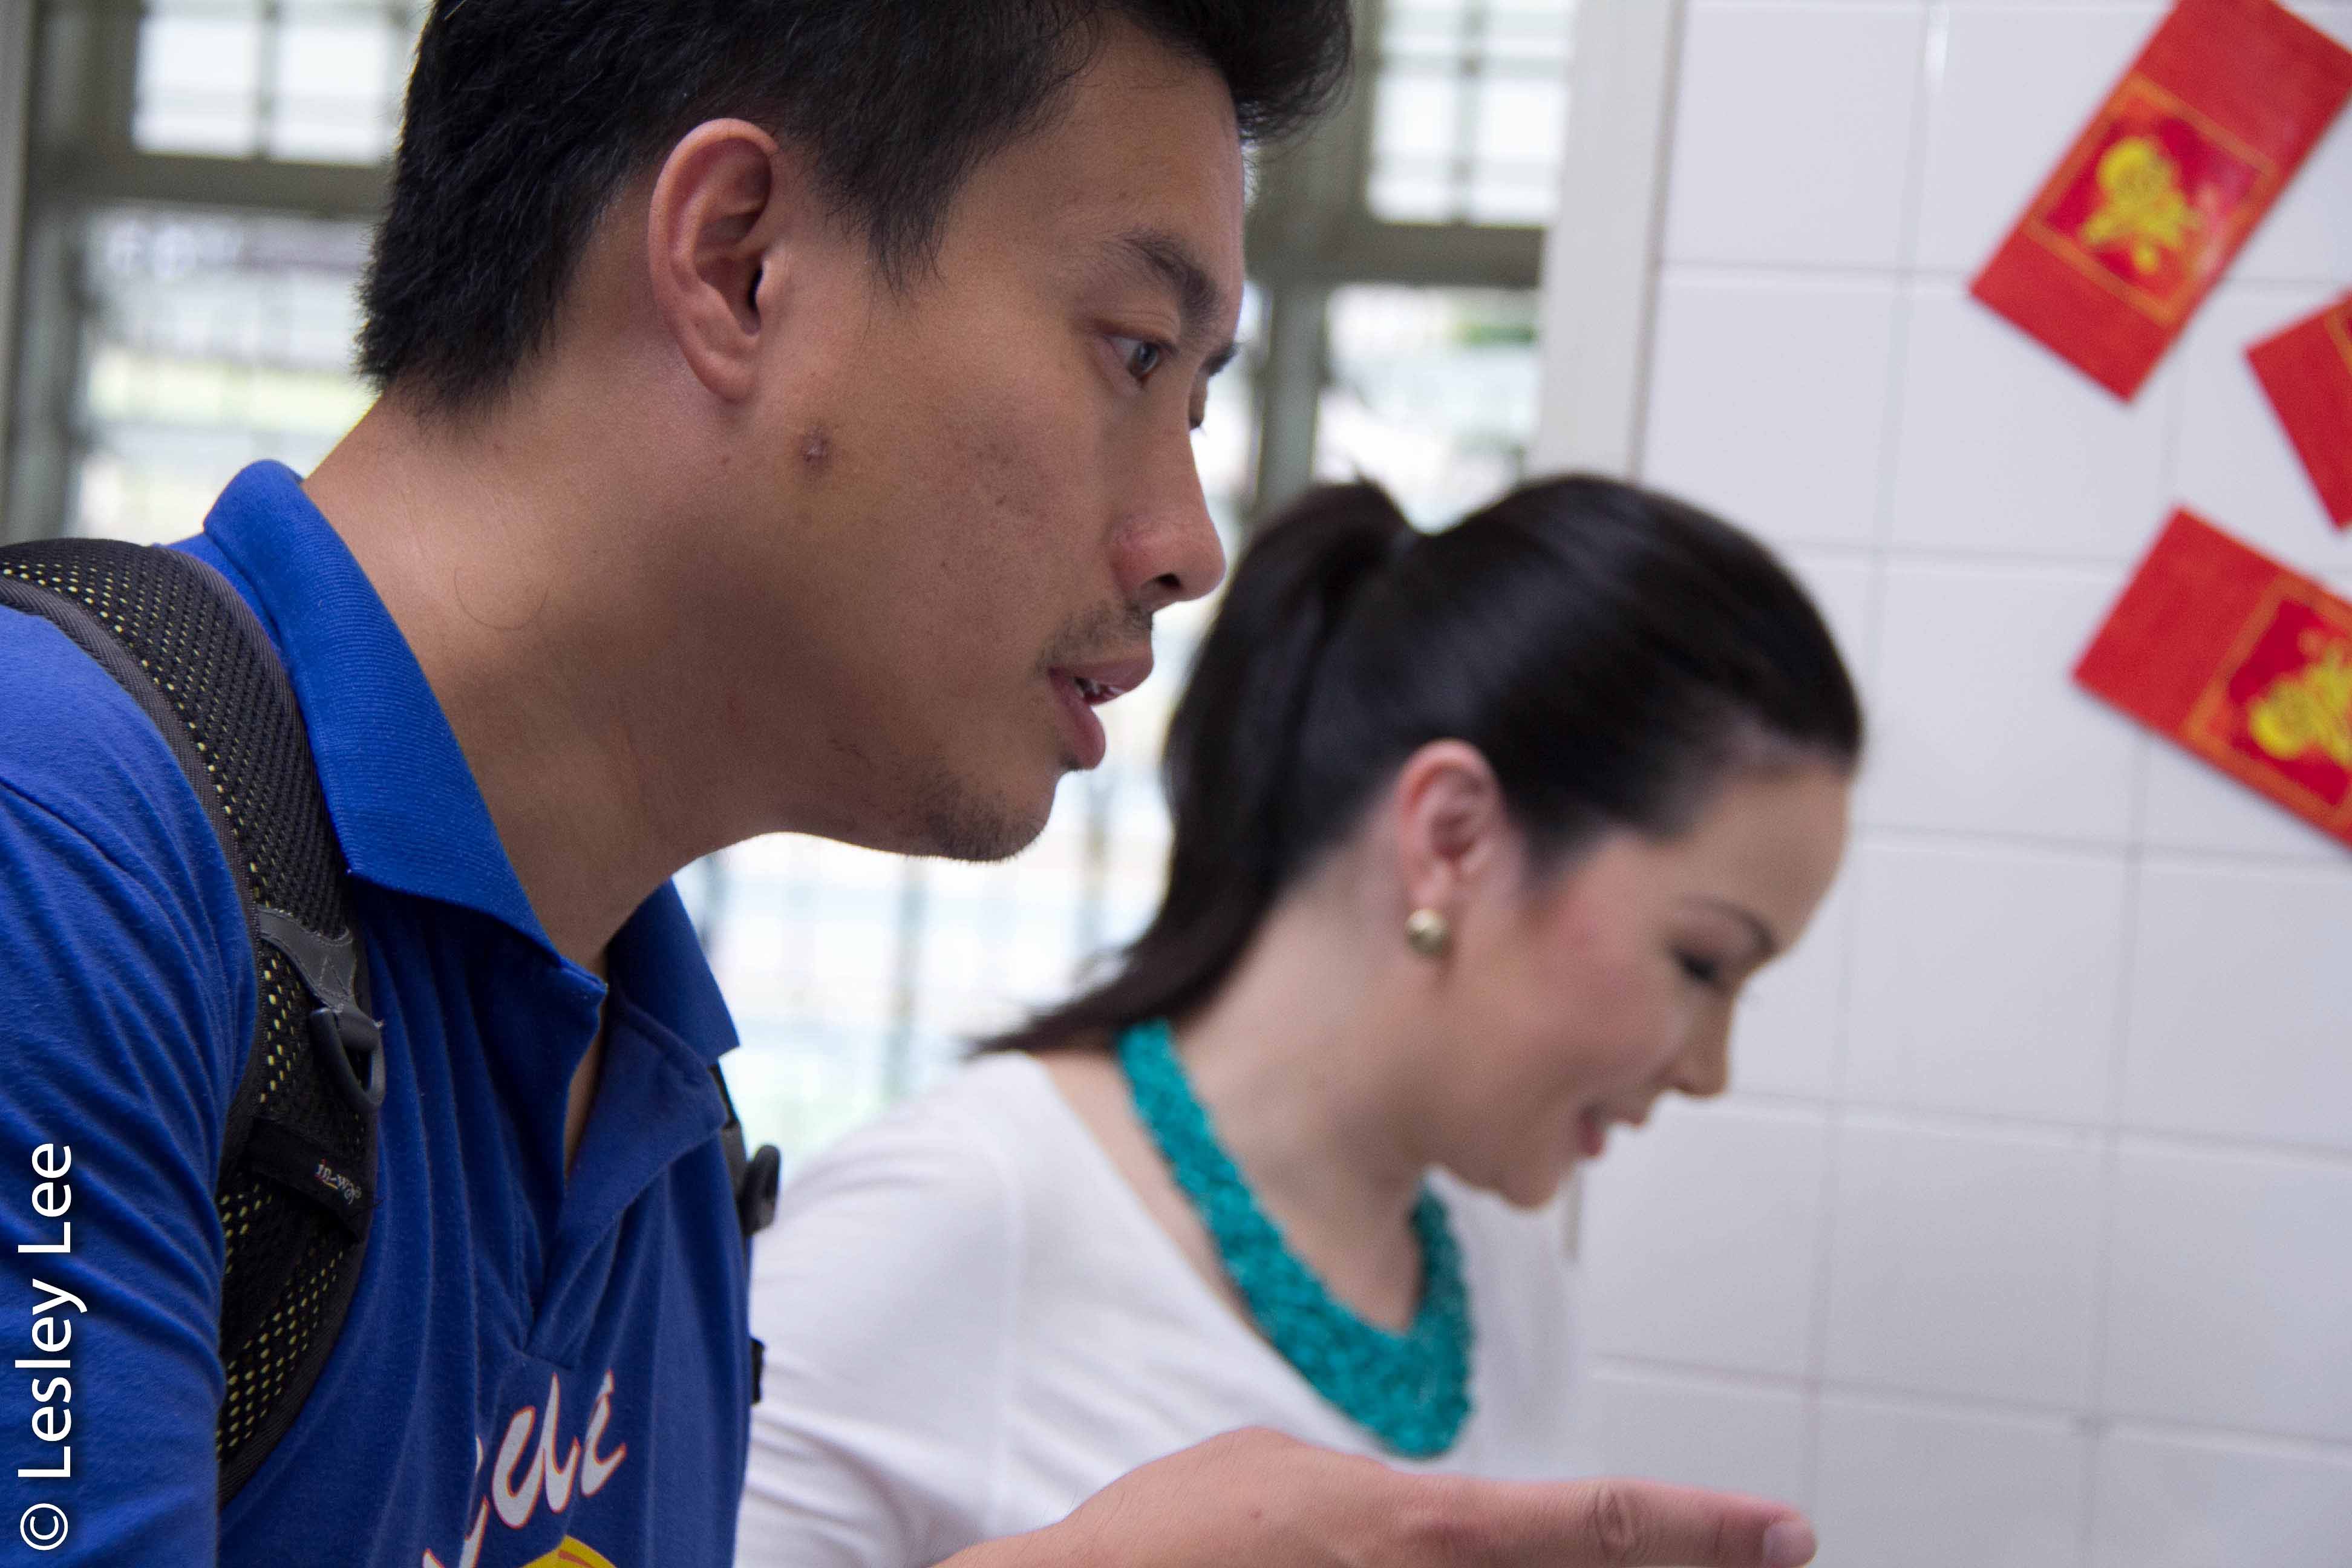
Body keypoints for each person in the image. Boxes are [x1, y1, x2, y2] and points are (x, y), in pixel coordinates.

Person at [0, 2, 1820, 1565]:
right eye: (1133, 354)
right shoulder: (65, 844)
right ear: (740, 261)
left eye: (1198, 399)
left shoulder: (657, 1133)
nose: (1188, 542)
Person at [736, 476, 1861, 1567]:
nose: (1709, 1070)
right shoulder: (950, 1217)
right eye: (1703, 963)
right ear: (1455, 836)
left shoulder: (1511, 1285)